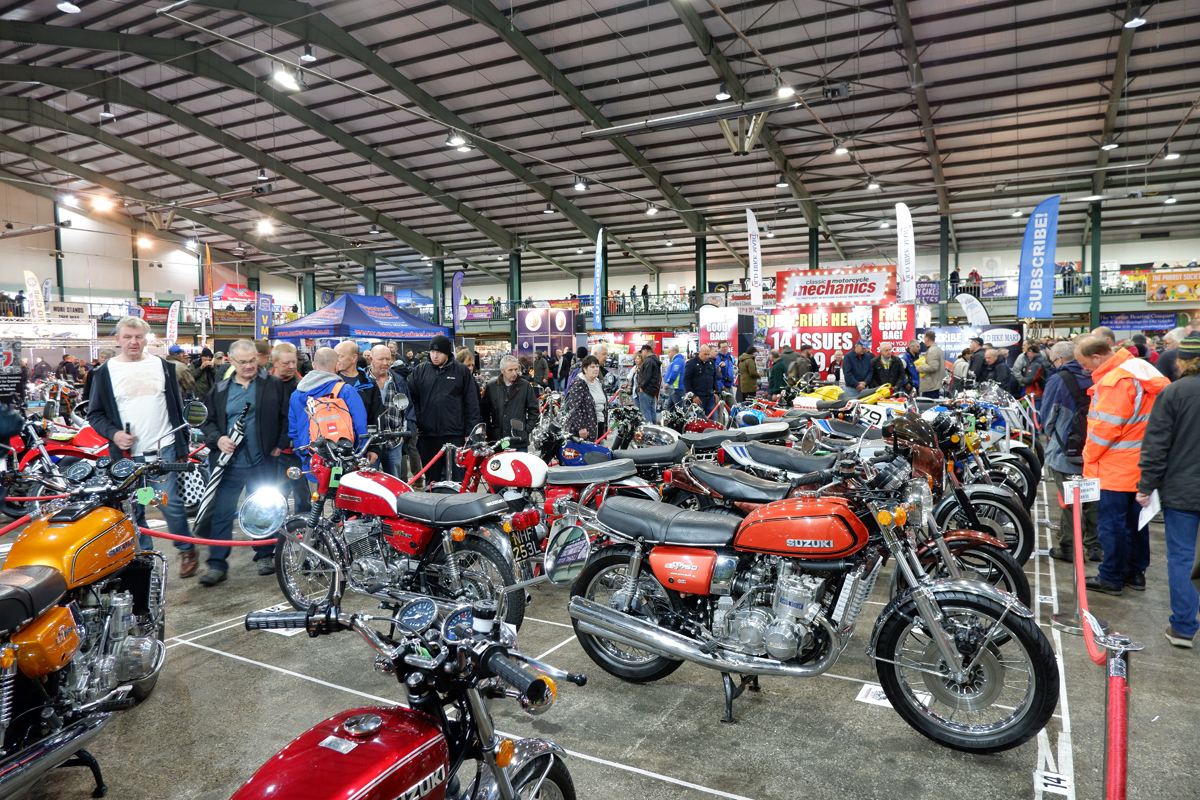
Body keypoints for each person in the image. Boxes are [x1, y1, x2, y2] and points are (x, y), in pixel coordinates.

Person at [85, 317, 196, 578]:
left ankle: (186, 548)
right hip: (127, 457)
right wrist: (114, 434)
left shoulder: (163, 366)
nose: (133, 342)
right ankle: (144, 556)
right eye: (127, 337)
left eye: (138, 337)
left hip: (162, 450)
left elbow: (177, 409)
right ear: (118, 339)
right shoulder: (104, 372)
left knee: (169, 503)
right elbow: (95, 414)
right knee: (136, 507)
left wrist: (183, 442)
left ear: (147, 338)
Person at [1076, 334, 1170, 596]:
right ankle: (1135, 574)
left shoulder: (1114, 381)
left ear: (1098, 356)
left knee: (1112, 525)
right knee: (1136, 523)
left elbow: (1104, 429)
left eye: (1085, 364)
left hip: (1114, 466)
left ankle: (1111, 576)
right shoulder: (1141, 369)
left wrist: (1089, 458)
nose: (1084, 369)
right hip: (1142, 463)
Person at [195, 340, 288, 585]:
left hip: (262, 462)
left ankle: (265, 555)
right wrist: (219, 439)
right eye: (243, 362)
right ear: (231, 361)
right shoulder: (221, 389)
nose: (249, 366)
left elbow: (286, 416)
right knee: (222, 514)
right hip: (229, 464)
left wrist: (280, 442)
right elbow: (207, 422)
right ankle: (216, 564)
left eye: (252, 361)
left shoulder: (274, 384)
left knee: (264, 511)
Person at [1137, 332, 1200, 647]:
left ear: (1184, 360)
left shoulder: (1174, 393)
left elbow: (1157, 443)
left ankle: (1184, 627)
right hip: (1184, 486)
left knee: (1182, 557)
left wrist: (1145, 485)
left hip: (1182, 488)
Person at [1043, 341, 1101, 564]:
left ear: (1058, 360)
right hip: (1095, 449)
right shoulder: (1097, 374)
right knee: (1092, 498)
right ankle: (1094, 545)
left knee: (1070, 500)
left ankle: (1068, 546)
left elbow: (1048, 417)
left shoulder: (1059, 379)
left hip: (1066, 450)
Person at [288, 346, 369, 479]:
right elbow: (360, 426)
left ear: (314, 365)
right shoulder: (346, 390)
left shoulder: (297, 395)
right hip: (345, 462)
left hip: (313, 464)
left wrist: (304, 457)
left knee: (318, 498)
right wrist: (359, 456)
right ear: (337, 365)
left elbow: (294, 432)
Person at [408, 334, 482, 475]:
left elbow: (471, 403)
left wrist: (469, 432)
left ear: (447, 353)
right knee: (432, 478)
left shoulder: (461, 371)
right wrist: (419, 419)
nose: (435, 356)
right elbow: (412, 399)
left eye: (439, 352)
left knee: (457, 477)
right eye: (432, 352)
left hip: (455, 434)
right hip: (428, 435)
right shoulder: (419, 371)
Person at [366, 344, 417, 477]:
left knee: (395, 481)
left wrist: (406, 434)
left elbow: (409, 408)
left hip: (395, 442)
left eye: (388, 359)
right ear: (370, 360)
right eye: (380, 359)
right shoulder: (362, 381)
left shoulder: (398, 381)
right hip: (370, 444)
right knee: (370, 483)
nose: (385, 363)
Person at [481, 355, 538, 448]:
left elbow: (534, 410)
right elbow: (484, 411)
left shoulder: (525, 386)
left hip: (519, 440)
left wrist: (526, 430)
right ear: (502, 370)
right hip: (497, 441)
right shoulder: (492, 386)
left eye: (516, 369)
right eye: (510, 370)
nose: (514, 373)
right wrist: (489, 430)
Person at [564, 355, 607, 440]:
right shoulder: (579, 383)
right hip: (585, 428)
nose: (596, 369)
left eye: (597, 366)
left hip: (599, 424)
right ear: (584, 369)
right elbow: (574, 407)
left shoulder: (599, 383)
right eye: (592, 367)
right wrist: (581, 427)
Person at [683, 344, 719, 416]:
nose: (707, 356)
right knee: (700, 421)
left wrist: (716, 393)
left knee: (713, 421)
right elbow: (686, 381)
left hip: (711, 397)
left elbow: (714, 378)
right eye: (705, 354)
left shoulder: (711, 362)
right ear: (699, 352)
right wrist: (693, 396)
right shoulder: (691, 363)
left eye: (708, 354)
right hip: (698, 398)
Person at [914, 331, 946, 398]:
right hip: (932, 385)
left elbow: (933, 367)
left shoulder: (932, 351)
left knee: (928, 406)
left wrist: (919, 368)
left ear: (927, 338)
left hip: (931, 386)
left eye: (924, 337)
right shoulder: (936, 349)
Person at [635, 344, 661, 423]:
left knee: (645, 413)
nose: (642, 354)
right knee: (652, 412)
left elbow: (646, 377)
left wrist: (641, 387)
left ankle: (648, 432)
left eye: (642, 352)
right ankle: (654, 430)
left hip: (646, 390)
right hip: (652, 390)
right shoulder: (654, 360)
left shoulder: (648, 361)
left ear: (645, 351)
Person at [661, 345, 685, 411]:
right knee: (669, 408)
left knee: (680, 409)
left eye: (669, 352)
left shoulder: (677, 361)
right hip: (673, 389)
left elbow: (675, 372)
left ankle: (685, 421)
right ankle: (668, 420)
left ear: (674, 352)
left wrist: (668, 382)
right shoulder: (675, 360)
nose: (668, 354)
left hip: (676, 388)